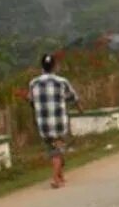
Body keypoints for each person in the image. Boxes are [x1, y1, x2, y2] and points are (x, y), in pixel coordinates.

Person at [28, 53, 82, 189]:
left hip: (44, 125)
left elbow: (31, 101)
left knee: (54, 149)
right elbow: (74, 98)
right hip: (59, 124)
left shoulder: (33, 83)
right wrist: (81, 110)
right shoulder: (62, 82)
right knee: (57, 150)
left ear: (42, 66)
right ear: (54, 66)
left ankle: (60, 175)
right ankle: (55, 179)